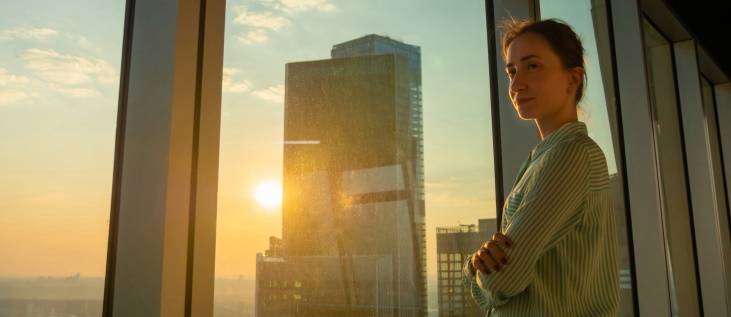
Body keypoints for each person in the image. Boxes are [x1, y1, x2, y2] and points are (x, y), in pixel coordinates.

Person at [462, 19, 619, 316]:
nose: (515, 84)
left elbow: (502, 279)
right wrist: (479, 262)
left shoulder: (571, 155)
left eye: (532, 66)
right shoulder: (545, 158)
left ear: (573, 79)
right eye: (511, 71)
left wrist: (474, 268)